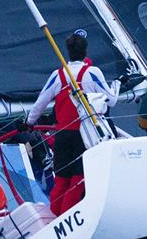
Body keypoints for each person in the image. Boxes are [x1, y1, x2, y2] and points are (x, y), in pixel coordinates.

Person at [25, 29, 123, 216]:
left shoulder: (58, 75)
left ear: (67, 52)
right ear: (86, 51)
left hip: (62, 135)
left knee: (61, 179)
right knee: (79, 179)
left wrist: (28, 123)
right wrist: (117, 84)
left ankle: (55, 215)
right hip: (83, 135)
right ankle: (67, 217)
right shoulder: (92, 72)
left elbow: (40, 103)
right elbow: (111, 100)